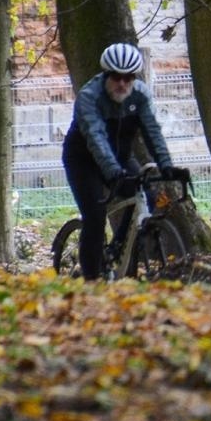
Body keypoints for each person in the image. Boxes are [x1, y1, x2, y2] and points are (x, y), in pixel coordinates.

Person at [62, 43, 175, 280]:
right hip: (84, 160)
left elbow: (152, 132)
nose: (122, 83)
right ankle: (92, 283)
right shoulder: (89, 97)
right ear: (106, 74)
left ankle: (118, 248)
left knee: (148, 197)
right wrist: (113, 171)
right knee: (95, 214)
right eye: (116, 77)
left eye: (128, 77)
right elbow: (96, 138)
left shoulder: (140, 95)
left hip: (121, 158)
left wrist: (167, 165)